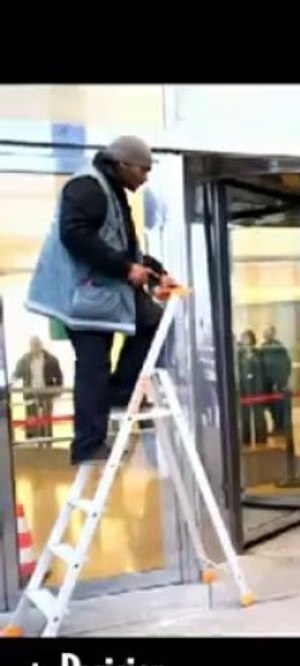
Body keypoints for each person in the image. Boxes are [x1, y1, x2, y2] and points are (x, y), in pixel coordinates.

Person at [25, 136, 177, 465]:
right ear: (123, 163)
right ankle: (88, 444)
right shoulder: (87, 187)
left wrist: (154, 271)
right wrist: (125, 268)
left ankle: (119, 393)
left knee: (150, 321)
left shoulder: (110, 190)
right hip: (84, 297)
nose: (145, 177)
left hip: (101, 293)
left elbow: (118, 244)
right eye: (143, 170)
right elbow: (75, 236)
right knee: (93, 366)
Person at [13, 337, 64, 440]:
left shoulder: (51, 360)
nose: (35, 347)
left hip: (46, 392)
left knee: (46, 419)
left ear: (41, 345)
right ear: (30, 347)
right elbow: (16, 375)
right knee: (31, 419)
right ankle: (32, 442)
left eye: (37, 345)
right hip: (30, 393)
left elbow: (59, 376)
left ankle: (48, 441)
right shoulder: (24, 360)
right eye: (33, 345)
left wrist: (57, 390)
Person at [260, 325, 293, 436]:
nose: (265, 334)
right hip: (268, 384)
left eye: (268, 332)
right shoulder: (263, 348)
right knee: (272, 408)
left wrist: (281, 380)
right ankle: (276, 427)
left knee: (280, 408)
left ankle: (282, 428)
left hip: (278, 383)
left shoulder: (278, 348)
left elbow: (285, 364)